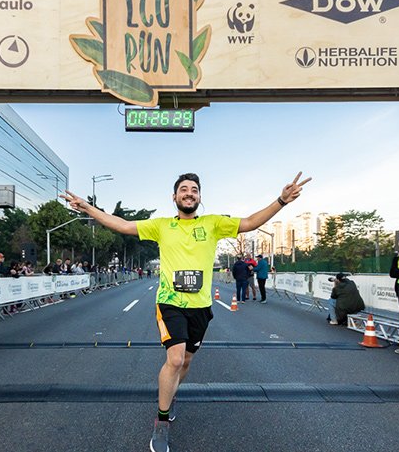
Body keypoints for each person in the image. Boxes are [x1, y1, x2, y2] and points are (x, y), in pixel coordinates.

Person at [61, 171, 310, 452]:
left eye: (194, 189)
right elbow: (121, 225)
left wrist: (281, 201)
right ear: (174, 196)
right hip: (170, 302)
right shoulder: (161, 226)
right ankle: (162, 421)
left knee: (187, 361)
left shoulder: (213, 223)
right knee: (176, 358)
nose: (189, 193)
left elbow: (251, 222)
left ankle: (171, 392)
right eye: (183, 189)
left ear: (199, 196)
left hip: (201, 307)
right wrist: (87, 208)